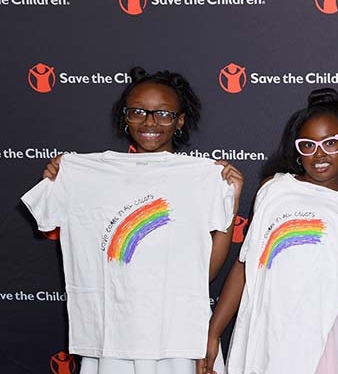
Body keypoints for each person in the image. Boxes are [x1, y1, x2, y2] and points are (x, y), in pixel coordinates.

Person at [22, 67, 244, 374]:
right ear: (125, 117)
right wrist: (62, 178)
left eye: (163, 114)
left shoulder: (202, 178)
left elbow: (204, 273)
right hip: (111, 340)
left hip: (176, 339)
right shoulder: (84, 174)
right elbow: (46, 219)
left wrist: (231, 200)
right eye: (138, 111)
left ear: (180, 120)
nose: (150, 122)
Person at [198, 88, 338, 374]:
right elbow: (245, 266)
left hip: (317, 341)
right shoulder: (275, 188)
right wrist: (213, 332)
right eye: (308, 145)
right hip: (263, 329)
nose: (319, 154)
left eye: (331, 143)